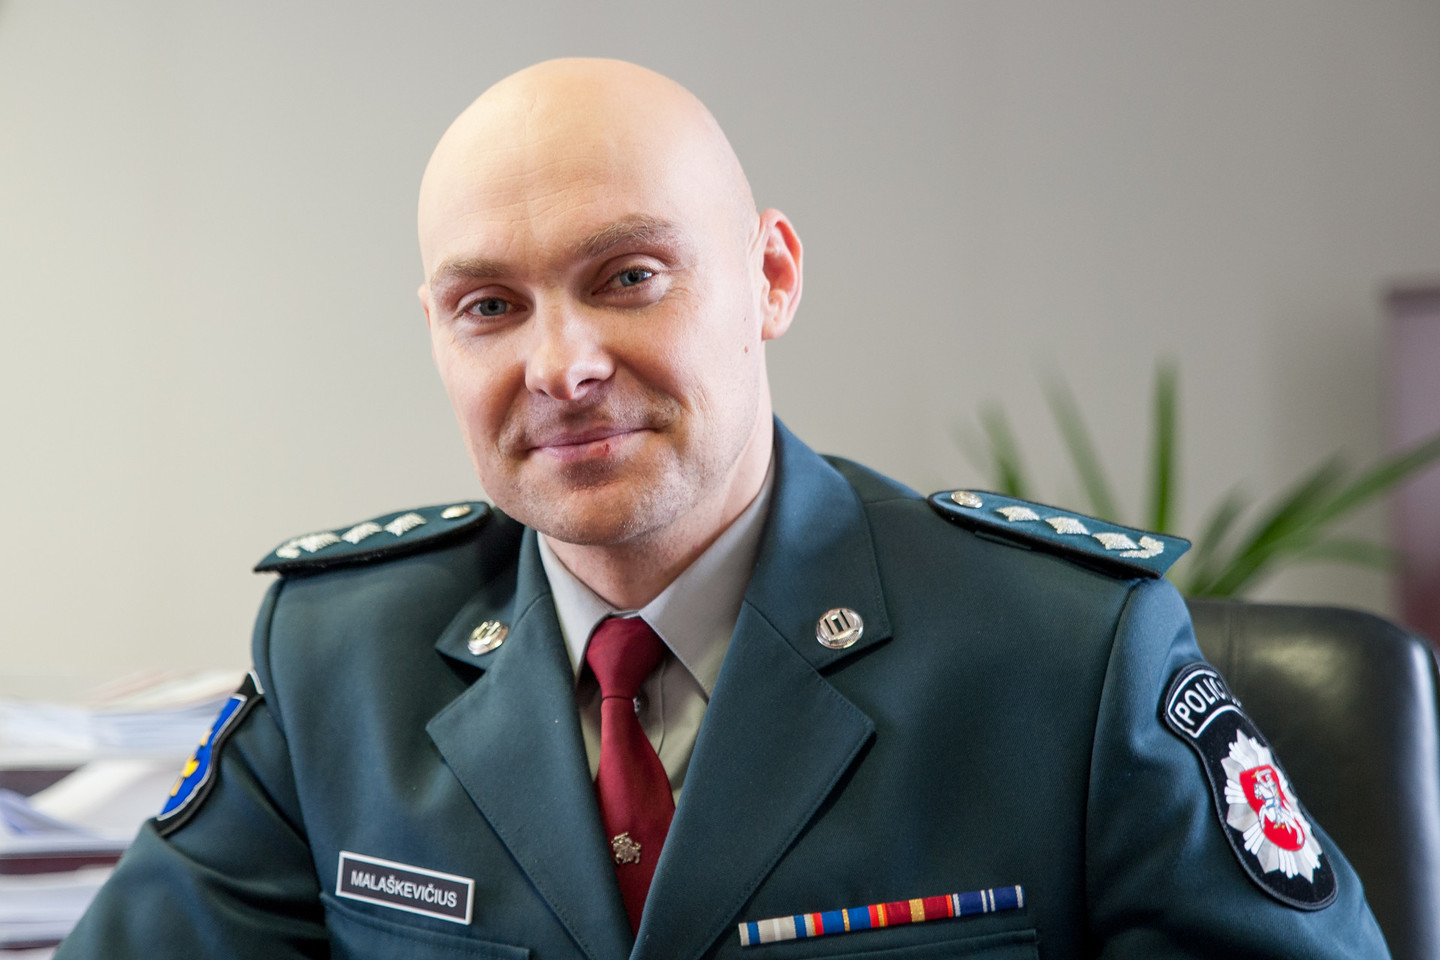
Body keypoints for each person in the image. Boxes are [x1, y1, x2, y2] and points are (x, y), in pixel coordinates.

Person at [57, 58, 1390, 959]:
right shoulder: (339, 656)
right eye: (489, 307)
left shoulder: (1066, 654)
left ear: (770, 278)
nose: (561, 365)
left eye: (629, 276)